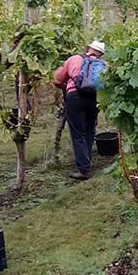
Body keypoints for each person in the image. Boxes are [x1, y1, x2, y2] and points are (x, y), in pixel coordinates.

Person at [53, 40, 106, 180]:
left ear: (88, 48)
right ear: (101, 53)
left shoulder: (74, 59)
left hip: (75, 96)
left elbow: (57, 79)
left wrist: (67, 87)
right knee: (90, 129)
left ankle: (84, 170)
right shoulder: (104, 65)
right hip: (95, 98)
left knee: (78, 132)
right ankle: (87, 162)